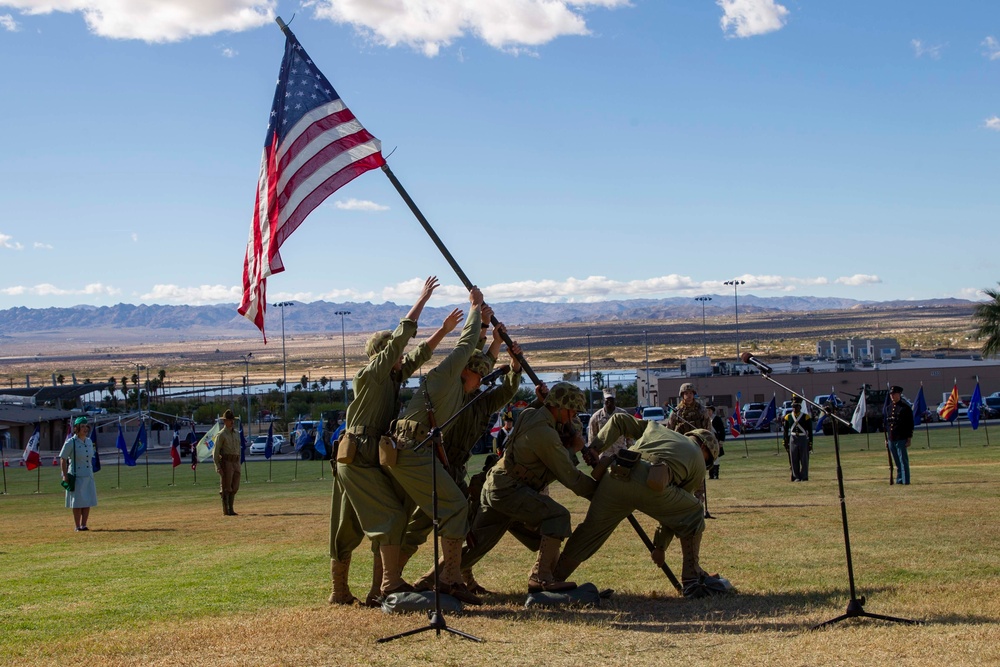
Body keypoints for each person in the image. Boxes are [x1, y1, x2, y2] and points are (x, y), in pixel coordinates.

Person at [331, 276, 460, 605]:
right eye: (392, 354)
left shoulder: (391, 376)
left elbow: (417, 355)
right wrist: (422, 299)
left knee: (378, 520)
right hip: (356, 457)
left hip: (366, 457)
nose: (400, 358)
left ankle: (376, 590)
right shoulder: (372, 374)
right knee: (367, 522)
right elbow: (402, 340)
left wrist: (445, 330)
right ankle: (356, 590)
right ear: (380, 355)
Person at [379, 286, 487, 604]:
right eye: (479, 375)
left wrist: (484, 330)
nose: (481, 382)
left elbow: (475, 352)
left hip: (416, 451)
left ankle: (435, 578)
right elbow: (466, 347)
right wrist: (475, 308)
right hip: (410, 449)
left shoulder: (459, 389)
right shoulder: (446, 375)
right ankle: (449, 579)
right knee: (454, 506)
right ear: (467, 371)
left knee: (436, 513)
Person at [405, 321, 525, 595]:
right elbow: (474, 356)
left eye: (483, 375)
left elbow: (505, 390)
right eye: (476, 373)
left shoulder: (480, 402)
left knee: (467, 526)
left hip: (455, 469)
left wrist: (514, 364)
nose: (481, 378)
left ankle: (454, 576)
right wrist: (485, 334)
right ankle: (393, 580)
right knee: (418, 527)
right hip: (435, 466)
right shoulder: (452, 396)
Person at [555, 418, 723, 596]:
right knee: (694, 511)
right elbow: (678, 515)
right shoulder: (697, 459)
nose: (705, 465)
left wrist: (596, 448)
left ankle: (551, 579)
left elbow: (619, 420)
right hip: (652, 485)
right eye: (708, 461)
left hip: (616, 475)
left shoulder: (657, 428)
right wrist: (660, 547)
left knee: (589, 533)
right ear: (704, 448)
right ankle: (691, 579)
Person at [460, 382, 596, 594]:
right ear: (558, 407)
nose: (571, 417)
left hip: (502, 488)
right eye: (570, 411)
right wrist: (601, 492)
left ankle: (432, 580)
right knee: (558, 517)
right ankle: (540, 578)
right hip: (508, 491)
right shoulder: (546, 435)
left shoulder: (532, 414)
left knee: (477, 544)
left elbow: (535, 411)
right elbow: (570, 476)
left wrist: (540, 400)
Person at [60, 416, 97, 531]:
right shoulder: (71, 442)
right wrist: (65, 475)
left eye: (86, 426)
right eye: (82, 426)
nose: (85, 429)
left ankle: (84, 524)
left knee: (87, 500)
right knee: (77, 502)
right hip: (76, 476)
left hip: (88, 474)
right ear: (76, 428)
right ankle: (77, 526)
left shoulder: (89, 441)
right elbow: (63, 458)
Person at [587, 388, 634, 460]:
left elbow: (629, 436)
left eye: (612, 399)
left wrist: (630, 452)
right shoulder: (596, 417)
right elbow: (592, 438)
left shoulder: (623, 414)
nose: (609, 402)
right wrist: (593, 456)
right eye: (607, 399)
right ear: (603, 400)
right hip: (604, 455)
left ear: (615, 400)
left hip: (621, 454)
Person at [213, 409, 241, 515]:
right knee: (226, 486)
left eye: (232, 420)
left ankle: (231, 508)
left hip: (236, 461)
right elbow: (215, 452)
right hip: (227, 462)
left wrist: (239, 462)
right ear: (225, 421)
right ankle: (227, 510)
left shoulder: (236, 434)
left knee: (235, 486)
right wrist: (218, 467)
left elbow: (238, 448)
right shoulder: (221, 435)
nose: (232, 422)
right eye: (229, 420)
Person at [885, 385, 914, 485]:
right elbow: (888, 425)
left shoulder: (905, 408)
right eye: (891, 394)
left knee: (903, 460)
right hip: (892, 438)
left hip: (901, 437)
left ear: (899, 394)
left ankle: (906, 480)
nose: (892, 396)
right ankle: (899, 479)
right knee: (897, 461)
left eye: (894, 394)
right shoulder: (888, 408)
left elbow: (910, 424)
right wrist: (887, 438)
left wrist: (909, 437)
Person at [782, 399, 813, 482]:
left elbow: (810, 431)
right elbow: (785, 431)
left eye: (796, 406)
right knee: (794, 458)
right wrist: (785, 441)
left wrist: (810, 443)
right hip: (793, 439)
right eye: (793, 407)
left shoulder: (806, 417)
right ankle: (796, 476)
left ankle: (804, 476)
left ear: (800, 407)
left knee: (804, 459)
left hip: (803, 438)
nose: (794, 408)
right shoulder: (788, 417)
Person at [706, 405, 726, 480]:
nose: (708, 412)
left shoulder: (717, 419)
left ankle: (716, 475)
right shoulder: (705, 419)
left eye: (709, 411)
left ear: (712, 411)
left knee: (716, 457)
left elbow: (722, 430)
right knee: (709, 457)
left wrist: (721, 441)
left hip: (716, 440)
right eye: (707, 411)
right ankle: (711, 475)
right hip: (708, 441)